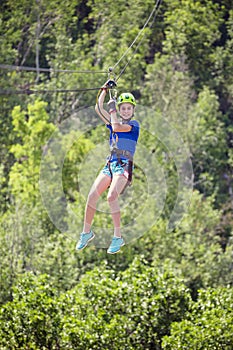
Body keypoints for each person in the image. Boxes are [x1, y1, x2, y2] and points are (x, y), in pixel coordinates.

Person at [76, 80, 140, 254]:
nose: (126, 111)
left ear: (133, 110)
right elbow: (98, 108)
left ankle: (118, 237)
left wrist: (112, 110)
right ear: (120, 109)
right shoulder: (113, 122)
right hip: (110, 164)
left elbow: (118, 126)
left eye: (129, 108)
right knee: (92, 195)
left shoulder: (133, 126)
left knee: (111, 197)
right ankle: (86, 233)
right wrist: (104, 90)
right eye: (123, 108)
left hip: (124, 165)